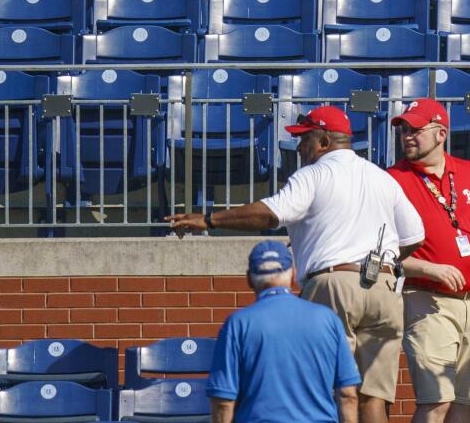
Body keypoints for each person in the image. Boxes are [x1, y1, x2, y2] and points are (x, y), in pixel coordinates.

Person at [169, 106, 426, 423]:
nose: (299, 147)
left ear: (324, 142)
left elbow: (270, 214)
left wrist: (210, 219)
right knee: (373, 396)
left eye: (304, 139)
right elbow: (415, 234)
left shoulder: (314, 174)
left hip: (334, 285)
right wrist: (384, 262)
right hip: (384, 287)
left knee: (330, 387)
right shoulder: (381, 177)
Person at [386, 99, 470, 423]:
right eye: (403, 130)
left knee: (466, 403)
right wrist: (428, 268)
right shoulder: (392, 181)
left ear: (441, 133)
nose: (407, 136)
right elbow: (378, 251)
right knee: (435, 401)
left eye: (415, 129)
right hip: (427, 301)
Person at [207, 241, 361, 423]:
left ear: (249, 279)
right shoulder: (328, 320)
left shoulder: (237, 324)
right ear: (294, 275)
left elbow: (223, 402)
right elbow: (347, 395)